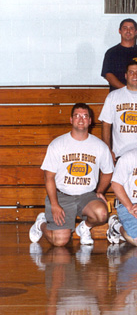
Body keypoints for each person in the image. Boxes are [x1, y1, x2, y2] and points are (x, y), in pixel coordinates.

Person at [30, 103, 113, 247]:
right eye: (77, 116)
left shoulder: (100, 146)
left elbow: (108, 172)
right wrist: (55, 204)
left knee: (102, 214)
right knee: (60, 241)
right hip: (62, 195)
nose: (81, 119)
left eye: (85, 116)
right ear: (71, 120)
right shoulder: (58, 144)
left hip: (86, 195)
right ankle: (41, 223)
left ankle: (84, 227)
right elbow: (48, 177)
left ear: (90, 121)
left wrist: (99, 192)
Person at [101, 18, 137, 90]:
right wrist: (126, 90)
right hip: (118, 95)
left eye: (131, 28)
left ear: (136, 32)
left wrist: (136, 91)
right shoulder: (111, 53)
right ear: (119, 31)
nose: (128, 31)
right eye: (125, 28)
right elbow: (108, 75)